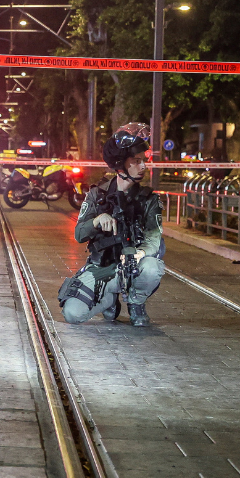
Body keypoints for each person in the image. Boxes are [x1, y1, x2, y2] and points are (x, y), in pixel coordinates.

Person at [59, 123, 165, 327]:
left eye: (144, 161)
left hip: (132, 266)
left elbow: (154, 240)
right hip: (101, 267)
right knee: (72, 314)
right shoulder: (96, 194)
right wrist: (97, 221)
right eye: (136, 161)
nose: (143, 166)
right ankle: (108, 298)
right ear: (120, 164)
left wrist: (139, 254)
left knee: (152, 267)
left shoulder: (149, 199)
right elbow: (79, 234)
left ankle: (136, 303)